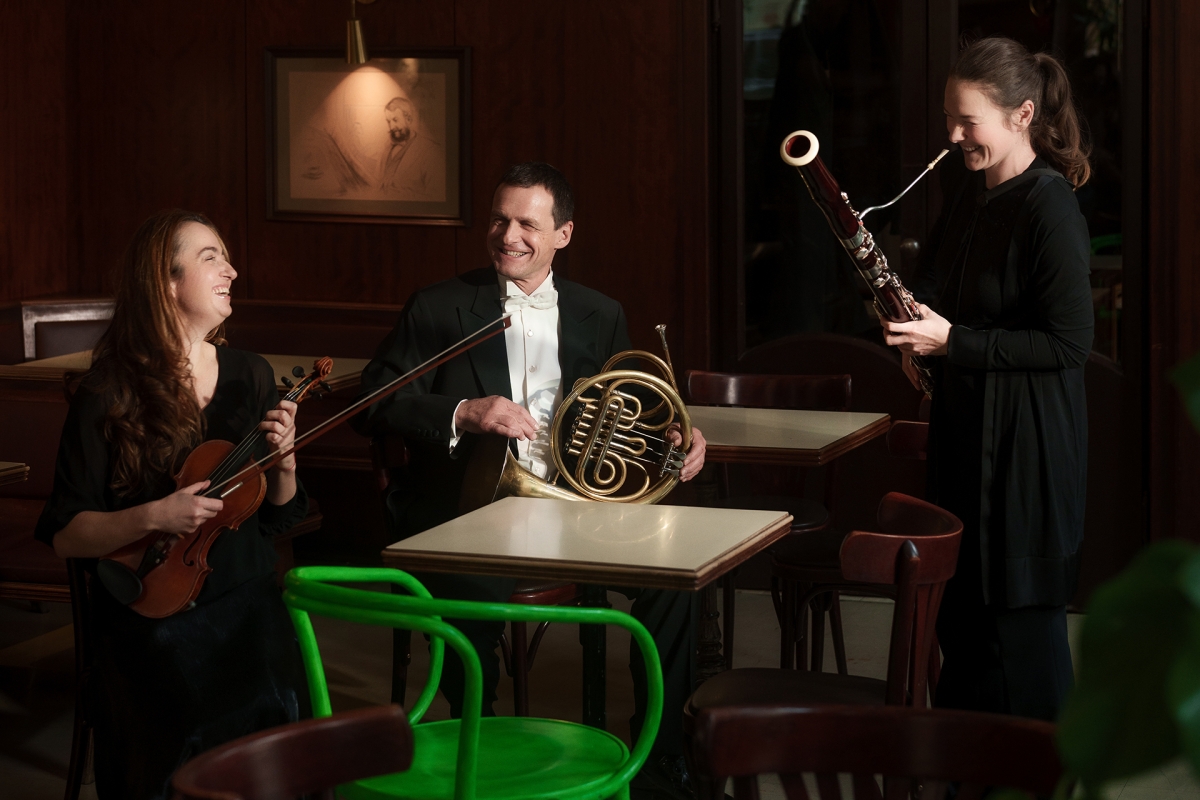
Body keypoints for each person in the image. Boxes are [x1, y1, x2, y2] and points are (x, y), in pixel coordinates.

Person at [352, 162, 709, 799]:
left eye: (527, 223)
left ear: (563, 234)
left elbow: (627, 409)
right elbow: (375, 399)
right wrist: (466, 411)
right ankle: (482, 755)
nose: (507, 234)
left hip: (577, 506)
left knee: (676, 583)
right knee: (470, 590)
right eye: (499, 218)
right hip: (472, 507)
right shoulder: (439, 306)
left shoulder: (600, 313)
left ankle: (660, 755)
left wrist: (675, 438)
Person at [34, 210, 311, 800]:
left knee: (277, 700)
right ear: (166, 281)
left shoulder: (250, 375)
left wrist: (285, 463)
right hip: (152, 615)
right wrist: (155, 516)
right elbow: (66, 534)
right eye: (212, 257)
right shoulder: (109, 392)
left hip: (245, 600)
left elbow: (276, 518)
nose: (231, 270)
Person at [882, 37, 1093, 721]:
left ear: (1022, 114)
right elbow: (940, 293)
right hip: (965, 434)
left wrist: (956, 342)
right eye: (950, 117)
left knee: (1021, 644)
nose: (953, 135)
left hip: (1024, 452)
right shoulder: (970, 197)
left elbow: (1068, 343)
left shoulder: (1050, 207)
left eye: (967, 120)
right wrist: (915, 331)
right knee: (964, 626)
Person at [378, 95, 446, 201]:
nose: (391, 127)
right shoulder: (387, 149)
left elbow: (437, 197)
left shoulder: (430, 151)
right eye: (388, 121)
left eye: (395, 120)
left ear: (409, 119)